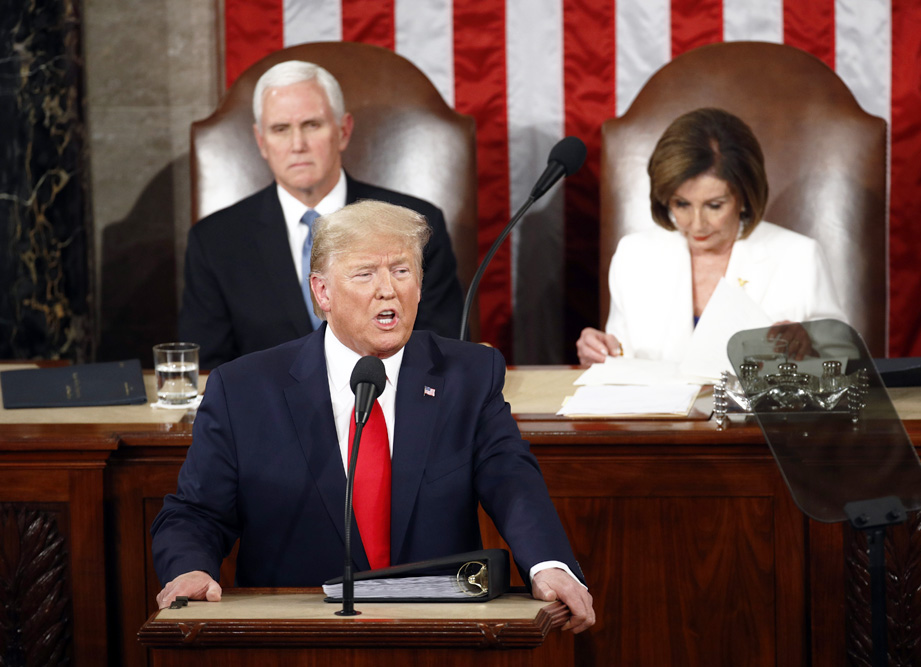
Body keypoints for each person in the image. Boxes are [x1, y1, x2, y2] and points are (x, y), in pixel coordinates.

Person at [153, 200, 595, 633]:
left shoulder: (469, 376)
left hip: (438, 634)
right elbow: (196, 512)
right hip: (296, 636)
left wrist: (547, 562)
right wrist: (190, 570)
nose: (389, 289)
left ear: (420, 285)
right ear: (322, 292)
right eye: (365, 274)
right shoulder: (244, 389)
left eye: (401, 271)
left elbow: (511, 479)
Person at [180, 60, 464, 369]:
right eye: (280, 129)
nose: (297, 145)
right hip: (268, 413)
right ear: (261, 142)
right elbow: (209, 368)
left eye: (311, 125)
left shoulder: (414, 224)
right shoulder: (216, 240)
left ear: (343, 131)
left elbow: (442, 350)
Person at [577, 108, 847, 366]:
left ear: (744, 197)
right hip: (660, 415)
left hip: (754, 415)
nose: (696, 224)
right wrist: (600, 351)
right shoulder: (634, 255)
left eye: (714, 205)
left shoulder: (798, 257)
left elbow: (846, 363)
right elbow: (622, 357)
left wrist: (809, 346)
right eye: (681, 204)